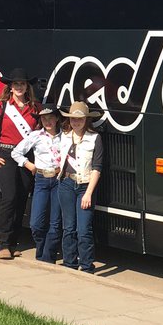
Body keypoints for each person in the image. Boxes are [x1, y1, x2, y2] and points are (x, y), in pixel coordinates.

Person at [0, 68, 39, 260]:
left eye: (22, 84)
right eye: (16, 84)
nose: (19, 87)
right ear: (10, 87)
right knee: (9, 197)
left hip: (26, 156)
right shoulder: (0, 107)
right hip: (5, 155)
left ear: (27, 87)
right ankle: (2, 244)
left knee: (21, 199)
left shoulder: (36, 108)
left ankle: (13, 242)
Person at [11, 106, 64, 263]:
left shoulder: (66, 137)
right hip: (41, 179)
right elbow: (16, 152)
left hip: (58, 179)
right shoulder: (36, 136)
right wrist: (29, 165)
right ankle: (41, 251)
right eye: (44, 118)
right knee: (36, 223)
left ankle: (47, 257)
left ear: (57, 119)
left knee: (55, 222)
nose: (47, 121)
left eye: (50, 117)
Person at [57, 100, 104, 273]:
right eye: (73, 119)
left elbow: (97, 168)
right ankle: (69, 263)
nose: (76, 122)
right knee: (68, 227)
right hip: (66, 184)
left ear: (86, 120)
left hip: (85, 186)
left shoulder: (95, 138)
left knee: (84, 229)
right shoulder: (63, 136)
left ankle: (86, 266)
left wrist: (89, 193)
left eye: (80, 119)